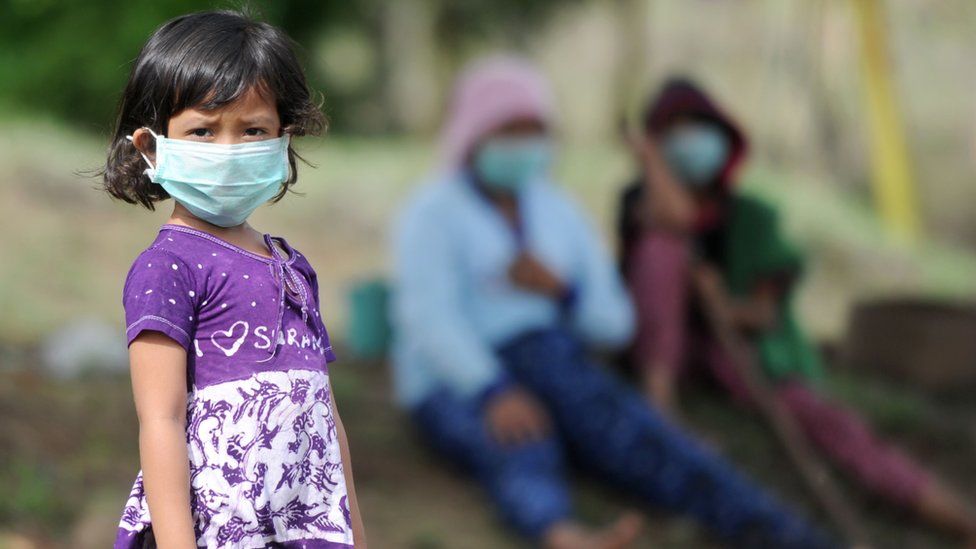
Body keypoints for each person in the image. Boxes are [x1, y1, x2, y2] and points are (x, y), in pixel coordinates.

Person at [391, 57, 835, 549]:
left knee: (649, 444)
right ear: (474, 133)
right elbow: (428, 318)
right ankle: (561, 534)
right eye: (508, 131)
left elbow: (615, 322)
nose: (522, 145)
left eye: (533, 131)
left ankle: (790, 536)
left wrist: (562, 291)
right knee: (519, 442)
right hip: (456, 378)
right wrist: (492, 388)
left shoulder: (558, 211)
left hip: (551, 358)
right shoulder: (434, 212)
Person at [619, 76, 976, 543]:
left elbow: (764, 315)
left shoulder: (753, 219)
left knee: (833, 427)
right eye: (672, 133)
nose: (687, 145)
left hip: (744, 354)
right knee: (663, 250)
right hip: (668, 351)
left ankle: (954, 518)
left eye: (696, 129)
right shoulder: (639, 204)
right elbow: (674, 220)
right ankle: (660, 409)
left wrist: (725, 307)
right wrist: (650, 164)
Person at [103, 11, 366, 548]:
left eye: (253, 131)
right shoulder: (168, 267)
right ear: (152, 147)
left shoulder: (292, 267)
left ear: (281, 140)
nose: (229, 152)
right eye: (202, 131)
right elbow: (161, 422)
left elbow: (327, 422)